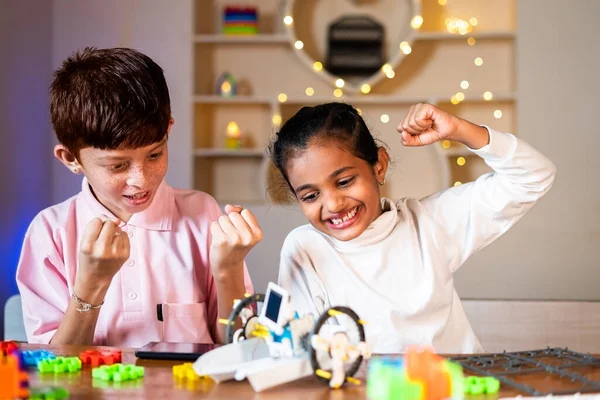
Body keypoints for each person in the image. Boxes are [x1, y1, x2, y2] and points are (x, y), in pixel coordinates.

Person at [16, 47, 262, 346]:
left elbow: (237, 348)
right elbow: (52, 368)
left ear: (168, 129)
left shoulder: (202, 214)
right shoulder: (51, 232)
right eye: (118, 165)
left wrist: (229, 270)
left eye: (155, 154)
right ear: (70, 158)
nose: (142, 179)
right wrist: (91, 286)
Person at [269, 102, 556, 353]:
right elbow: (291, 350)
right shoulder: (305, 249)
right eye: (310, 196)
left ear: (379, 166)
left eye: (344, 182)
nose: (332, 204)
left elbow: (534, 177)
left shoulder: (429, 222)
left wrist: (458, 129)